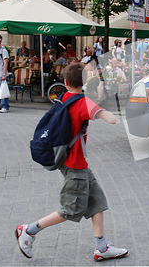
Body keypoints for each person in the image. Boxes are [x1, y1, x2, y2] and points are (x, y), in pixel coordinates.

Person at [15, 63, 127, 262]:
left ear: (65, 83)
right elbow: (111, 120)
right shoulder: (84, 102)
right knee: (70, 209)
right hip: (75, 166)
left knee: (97, 202)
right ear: (83, 82)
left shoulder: (63, 98)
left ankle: (101, 247)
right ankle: (29, 230)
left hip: (74, 162)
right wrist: (104, 107)